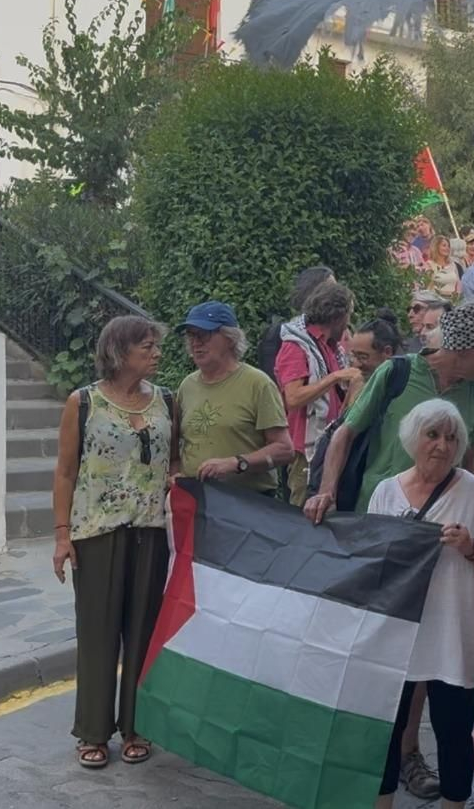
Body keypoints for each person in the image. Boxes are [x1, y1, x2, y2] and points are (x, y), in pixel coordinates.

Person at [51, 316, 173, 770]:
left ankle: (139, 726)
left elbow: (172, 461)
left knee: (144, 630)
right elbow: (65, 472)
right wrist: (62, 535)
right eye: (148, 346)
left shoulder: (167, 401)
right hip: (96, 531)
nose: (157, 353)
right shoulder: (83, 402)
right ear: (120, 352)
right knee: (99, 635)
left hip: (151, 530)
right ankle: (93, 732)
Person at [369, 401, 474, 809]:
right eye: (432, 435)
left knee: (453, 729)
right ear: (413, 439)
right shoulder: (386, 492)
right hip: (399, 633)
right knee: (385, 727)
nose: (442, 445)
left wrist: (473, 547)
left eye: (451, 437)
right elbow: (370, 562)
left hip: (452, 632)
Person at [305, 301, 474, 519]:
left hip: (440, 516)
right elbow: (346, 432)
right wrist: (326, 493)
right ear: (462, 350)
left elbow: (468, 456)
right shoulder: (398, 372)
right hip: (381, 510)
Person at [175, 301, 295, 494]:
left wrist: (237, 463)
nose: (196, 342)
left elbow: (284, 450)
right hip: (197, 500)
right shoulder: (187, 386)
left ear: (230, 338)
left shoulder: (257, 383)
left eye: (204, 334)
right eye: (190, 335)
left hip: (245, 503)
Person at [274, 282, 361, 504]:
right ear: (337, 316)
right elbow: (293, 398)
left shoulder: (329, 346)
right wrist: (335, 377)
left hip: (326, 445)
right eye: (348, 315)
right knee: (304, 512)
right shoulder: (296, 346)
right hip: (307, 452)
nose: (349, 322)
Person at [257, 266, 335, 376]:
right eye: (331, 289)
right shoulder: (291, 336)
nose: (338, 294)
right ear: (313, 292)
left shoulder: (334, 334)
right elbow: (287, 390)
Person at [404, 290, 451, 354]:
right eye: (409, 310)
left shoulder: (450, 346)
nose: (410, 315)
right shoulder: (406, 346)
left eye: (417, 308)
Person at [426, 234, 462, 302]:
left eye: (448, 246)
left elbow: (458, 284)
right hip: (435, 302)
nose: (447, 248)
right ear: (436, 247)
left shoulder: (453, 265)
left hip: (452, 302)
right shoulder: (429, 265)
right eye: (444, 245)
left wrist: (457, 297)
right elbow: (428, 287)